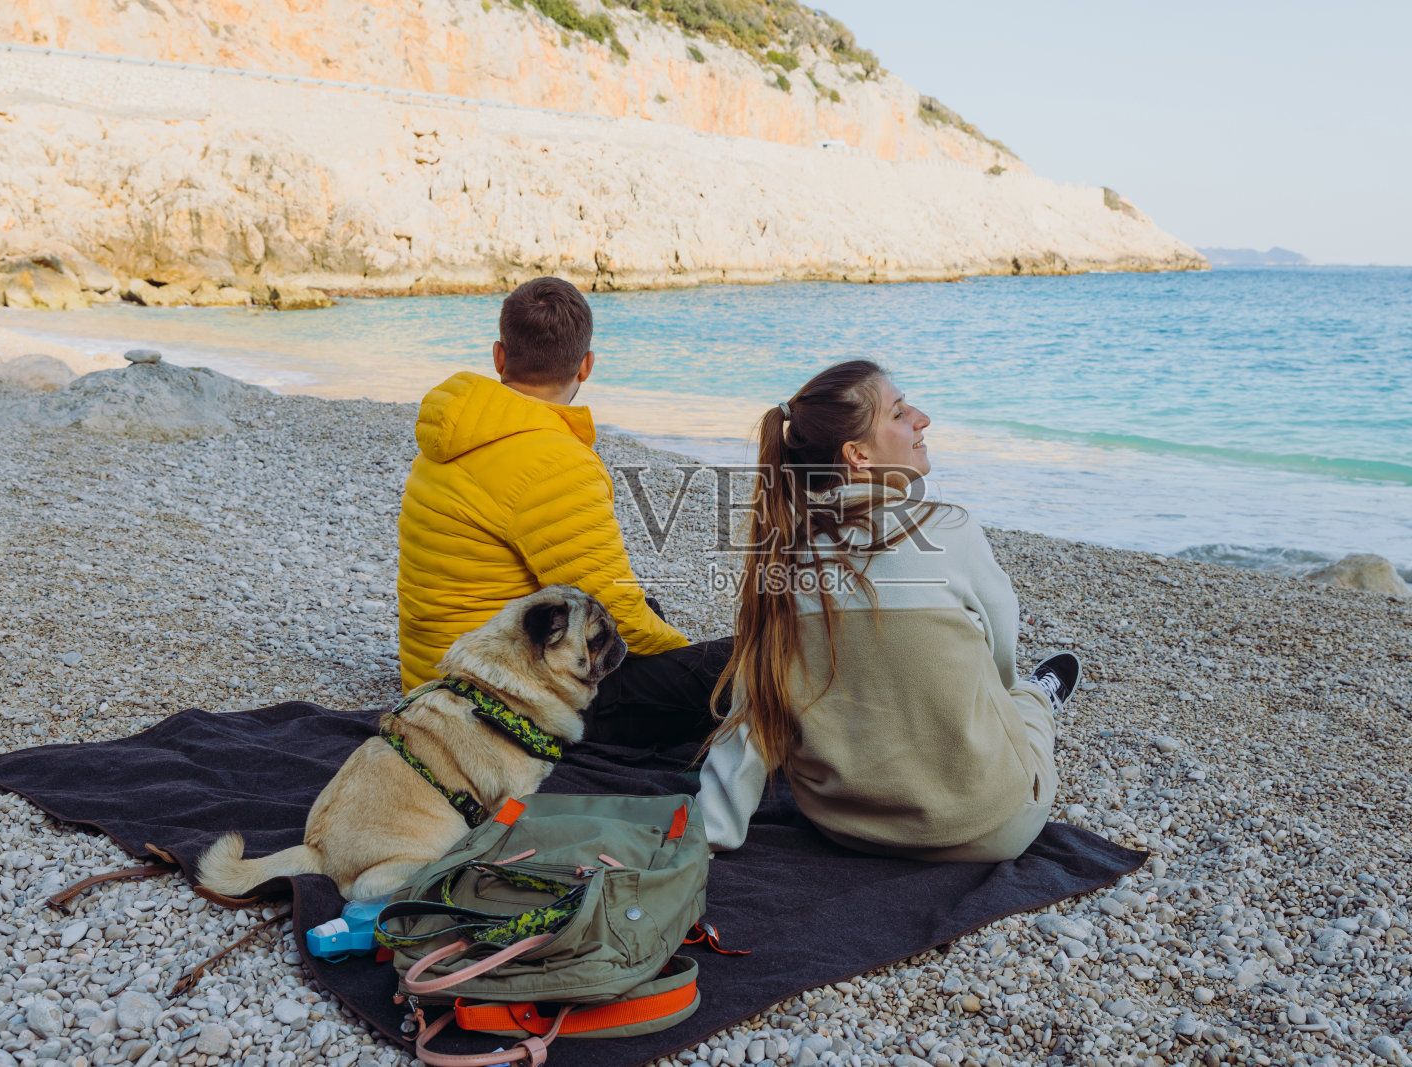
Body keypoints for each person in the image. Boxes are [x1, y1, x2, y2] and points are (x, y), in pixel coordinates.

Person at [696, 359, 1078, 861]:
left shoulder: (783, 558)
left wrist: (709, 832)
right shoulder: (951, 531)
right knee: (1022, 699)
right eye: (899, 413)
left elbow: (753, 718)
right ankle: (1042, 695)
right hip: (994, 829)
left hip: (846, 828)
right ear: (857, 454)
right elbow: (999, 660)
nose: (922, 419)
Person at [397, 276, 730, 746]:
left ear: (499, 356)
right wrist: (685, 658)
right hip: (501, 704)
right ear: (586, 365)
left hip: (436, 674)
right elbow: (618, 610)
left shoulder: (456, 434)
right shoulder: (554, 461)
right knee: (736, 665)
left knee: (646, 618)